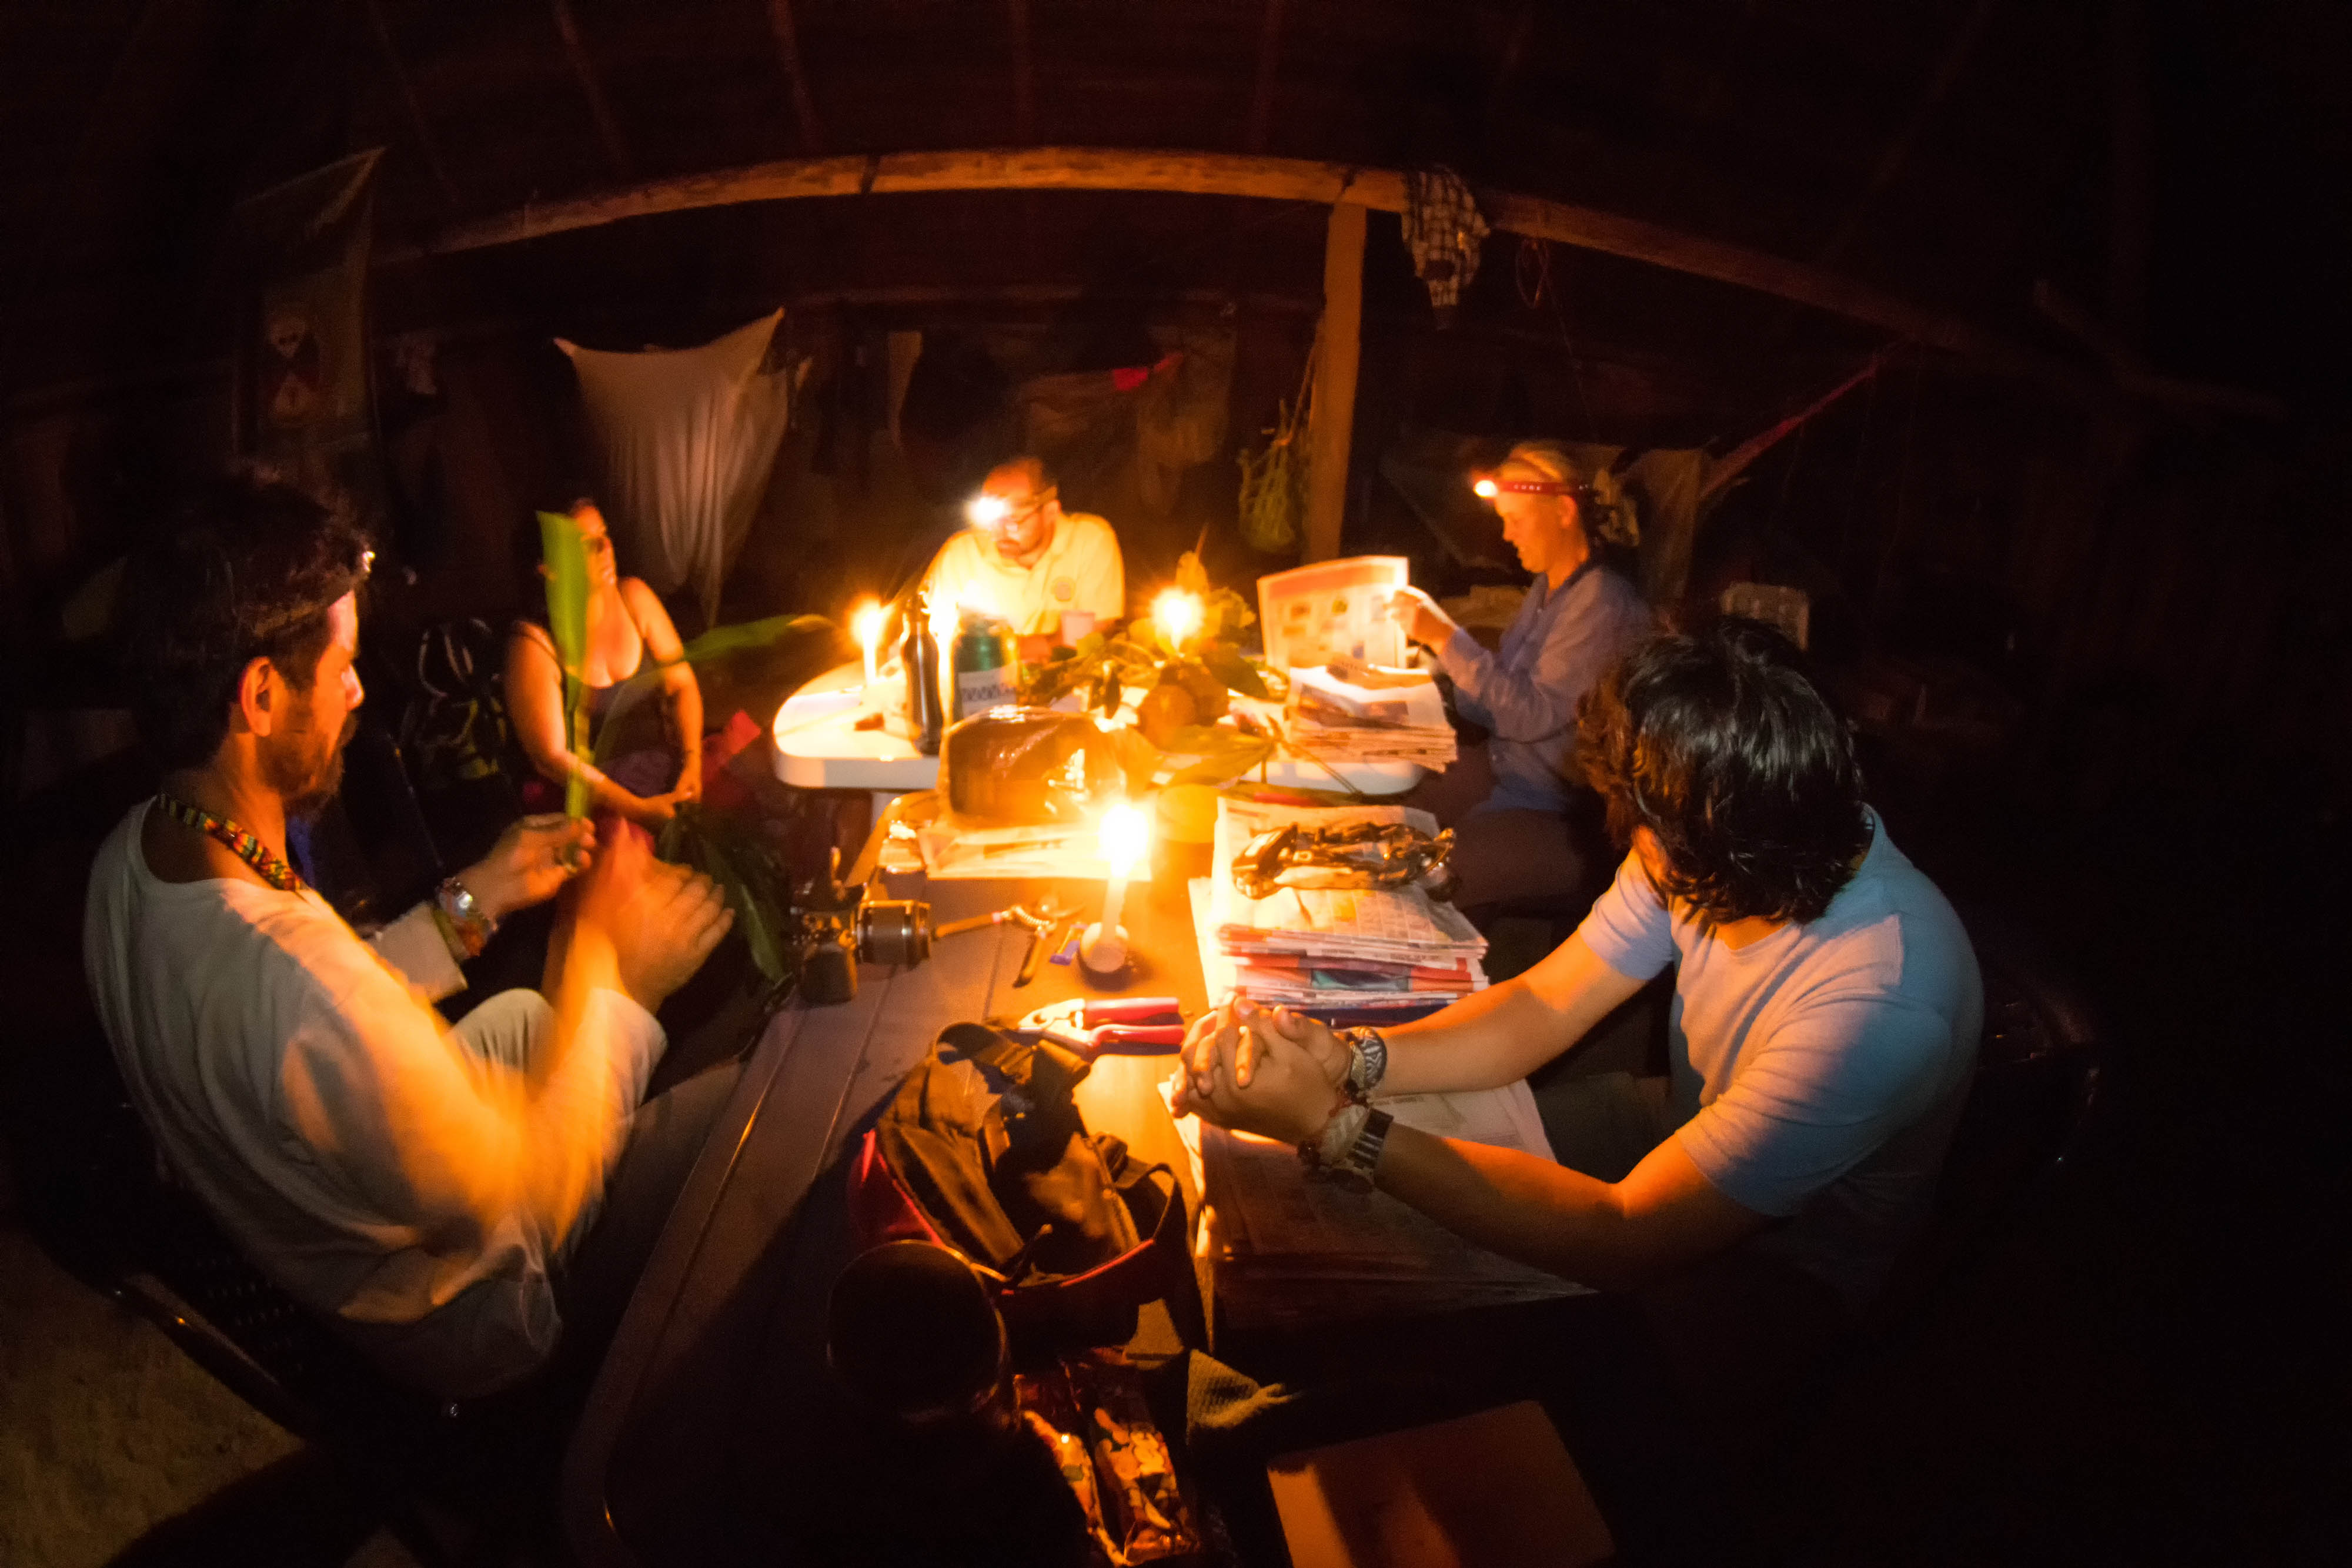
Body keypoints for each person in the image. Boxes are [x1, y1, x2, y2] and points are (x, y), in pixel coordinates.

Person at [85, 467, 740, 1402]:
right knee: (736, 1120)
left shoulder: (129, 861)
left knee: (518, 1012)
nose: (358, 692)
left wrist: (473, 898)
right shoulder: (307, 991)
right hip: (477, 1325)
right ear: (262, 694)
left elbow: (301, 1035)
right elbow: (529, 1199)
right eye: (344, 663)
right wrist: (612, 972)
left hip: (318, 1219)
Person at [1176, 619, 1982, 1336]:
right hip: (1676, 1117)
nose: (1629, 841)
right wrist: (1351, 1059)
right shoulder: (1742, 827)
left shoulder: (1880, 1005)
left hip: (1786, 1264)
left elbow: (1624, 1233)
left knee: (1433, 1334)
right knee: (1388, 1192)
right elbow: (1543, 1001)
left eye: (1642, 827)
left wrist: (1335, 1125)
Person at [1388, 442, 1653, 912]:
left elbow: (1528, 714)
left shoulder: (1603, 602)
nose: (1507, 534)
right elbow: (1496, 697)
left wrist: (1444, 636)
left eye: (1517, 519)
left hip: (1565, 812)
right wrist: (1429, 682)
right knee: (1391, 823)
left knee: (1431, 882)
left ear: (1565, 511)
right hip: (1506, 766)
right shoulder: (1547, 587)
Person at [507, 500, 705, 828]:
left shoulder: (635, 598)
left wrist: (692, 763)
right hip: (593, 802)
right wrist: (636, 810)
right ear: (549, 567)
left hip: (666, 773)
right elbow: (552, 759)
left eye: (604, 534)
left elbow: (682, 684)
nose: (605, 548)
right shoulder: (534, 644)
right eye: (587, 544)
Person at [918, 455, 1125, 640]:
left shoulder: (1089, 540)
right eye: (991, 517)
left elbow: (1093, 634)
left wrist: (1012, 648)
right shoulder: (962, 555)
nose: (1000, 529)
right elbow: (934, 635)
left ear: (1050, 512)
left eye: (1014, 517)